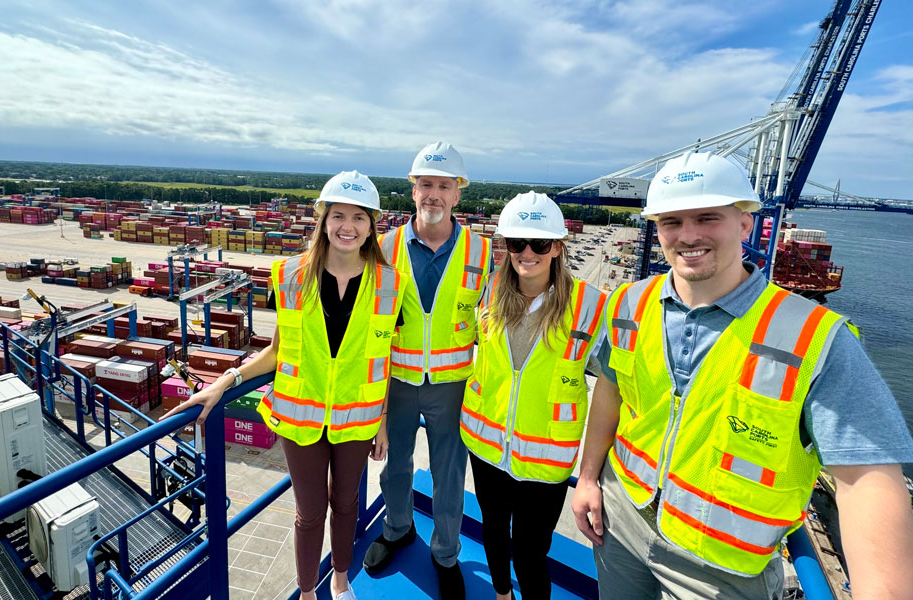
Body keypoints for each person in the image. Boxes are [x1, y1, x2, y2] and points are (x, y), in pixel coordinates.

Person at [570, 151, 913, 599]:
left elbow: (866, 481)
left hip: (724, 566)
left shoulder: (815, 337)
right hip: (621, 521)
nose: (688, 235)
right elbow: (611, 391)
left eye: (707, 217)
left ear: (744, 224)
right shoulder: (627, 302)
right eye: (671, 221)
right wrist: (587, 479)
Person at [163, 170, 407, 600]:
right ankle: (308, 591)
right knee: (310, 513)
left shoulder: (391, 283)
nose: (347, 226)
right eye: (337, 216)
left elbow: (383, 359)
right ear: (322, 219)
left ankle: (340, 577)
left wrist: (384, 419)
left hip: (359, 418)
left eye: (358, 218)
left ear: (372, 225)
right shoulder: (291, 275)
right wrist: (226, 381)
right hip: (300, 419)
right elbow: (277, 352)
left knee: (346, 504)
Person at [460, 192, 606, 599]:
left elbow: (620, 385)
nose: (527, 253)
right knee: (492, 529)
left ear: (558, 247)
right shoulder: (488, 293)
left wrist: (593, 473)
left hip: (546, 457)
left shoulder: (591, 308)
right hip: (486, 445)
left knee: (529, 551)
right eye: (516, 243)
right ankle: (502, 595)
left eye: (539, 243)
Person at [363, 141, 492, 599]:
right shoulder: (384, 247)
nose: (433, 194)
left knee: (449, 476)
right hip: (396, 382)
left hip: (454, 385)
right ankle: (397, 529)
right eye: (425, 185)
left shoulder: (484, 252)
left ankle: (446, 554)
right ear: (412, 191)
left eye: (444, 185)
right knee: (393, 466)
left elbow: (495, 319)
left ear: (458, 194)